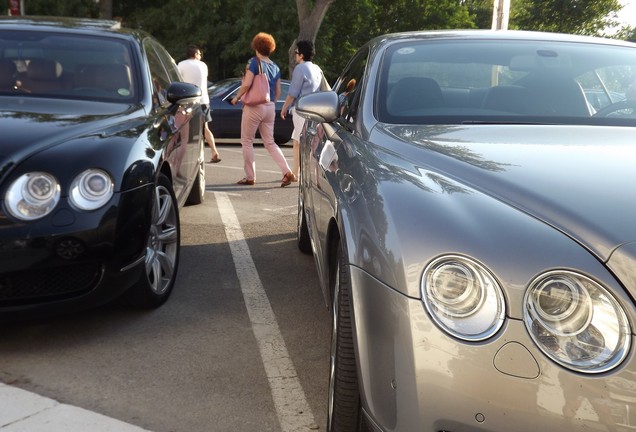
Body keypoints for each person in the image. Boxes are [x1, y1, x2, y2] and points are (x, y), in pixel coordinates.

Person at [231, 32, 295, 187]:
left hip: (254, 106)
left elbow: (246, 84)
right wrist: (269, 102)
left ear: (256, 47)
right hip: (270, 107)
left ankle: (250, 176)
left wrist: (236, 97)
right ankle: (287, 171)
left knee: (247, 141)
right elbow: (278, 91)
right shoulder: (275, 67)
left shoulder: (254, 62)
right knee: (270, 142)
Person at [280, 40, 326, 179]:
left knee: (302, 144)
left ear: (301, 54)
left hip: (302, 110)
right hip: (315, 111)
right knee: (301, 143)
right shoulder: (317, 68)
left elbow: (292, 93)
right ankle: (297, 172)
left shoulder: (300, 69)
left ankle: (302, 174)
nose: (295, 55)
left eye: (296, 52)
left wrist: (284, 108)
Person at [178, 45, 221, 163]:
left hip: (187, 101)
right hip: (203, 100)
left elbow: (179, 81)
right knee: (205, 128)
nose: (201, 56)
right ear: (196, 54)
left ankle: (183, 159)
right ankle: (214, 152)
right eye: (200, 54)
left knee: (185, 131)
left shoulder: (181, 65)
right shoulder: (203, 66)